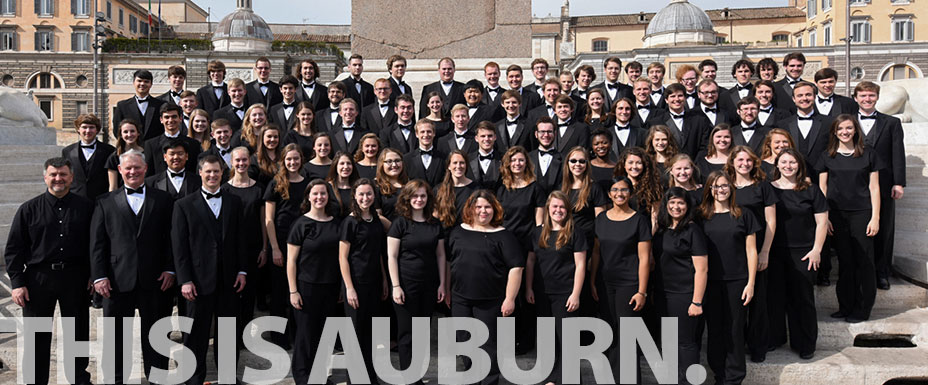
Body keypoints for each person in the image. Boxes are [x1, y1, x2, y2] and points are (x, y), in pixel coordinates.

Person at [4, 157, 94, 385]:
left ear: (71, 178)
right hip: (38, 278)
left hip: (75, 277)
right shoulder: (28, 209)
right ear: (45, 177)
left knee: (77, 331)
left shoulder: (86, 208)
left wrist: (94, 273)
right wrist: (17, 283)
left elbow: (96, 244)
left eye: (63, 174)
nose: (58, 179)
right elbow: (14, 249)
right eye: (53, 174)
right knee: (37, 335)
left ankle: (78, 378)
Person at [91, 149, 175, 384]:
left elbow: (171, 238)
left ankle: (158, 377)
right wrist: (99, 276)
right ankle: (117, 379)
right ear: (119, 170)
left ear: (146, 169)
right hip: (116, 281)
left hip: (156, 279)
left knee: (157, 334)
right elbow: (97, 243)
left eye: (137, 167)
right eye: (128, 168)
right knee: (116, 336)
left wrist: (170, 269)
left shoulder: (164, 200)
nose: (133, 172)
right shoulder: (104, 201)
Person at [172, 155, 247, 385]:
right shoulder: (183, 205)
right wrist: (184, 280)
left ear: (222, 173)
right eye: (208, 172)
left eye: (216, 172)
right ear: (200, 173)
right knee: (195, 334)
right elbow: (179, 246)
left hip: (228, 281)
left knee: (227, 333)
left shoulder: (234, 202)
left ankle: (226, 377)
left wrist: (242, 271)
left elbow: (241, 240)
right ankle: (194, 378)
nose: (212, 176)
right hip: (197, 282)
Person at [447, 190, 524, 385]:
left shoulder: (504, 236)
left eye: (487, 207)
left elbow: (516, 268)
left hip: (491, 300)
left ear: (495, 209)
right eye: (478, 207)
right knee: (463, 342)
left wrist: (510, 298)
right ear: (470, 209)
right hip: (460, 298)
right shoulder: (458, 231)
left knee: (488, 346)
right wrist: (447, 289)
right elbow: (449, 262)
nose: (483, 211)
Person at [816, 115, 882, 323]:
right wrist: (824, 218)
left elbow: (874, 188)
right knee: (845, 262)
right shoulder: (827, 156)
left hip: (862, 213)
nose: (845, 132)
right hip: (836, 214)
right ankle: (845, 306)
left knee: (864, 260)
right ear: (835, 132)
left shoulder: (868, 154)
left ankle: (863, 308)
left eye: (849, 128)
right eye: (841, 129)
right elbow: (822, 188)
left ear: (855, 131)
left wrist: (875, 217)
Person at [698, 170, 760, 385]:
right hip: (710, 281)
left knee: (734, 329)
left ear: (731, 188)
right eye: (715, 186)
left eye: (724, 185)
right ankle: (719, 374)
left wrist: (751, 283)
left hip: (737, 280)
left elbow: (752, 251)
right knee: (714, 329)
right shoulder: (701, 216)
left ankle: (734, 377)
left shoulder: (743, 214)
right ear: (709, 190)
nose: (720, 190)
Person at [387, 180, 448, 385]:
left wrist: (442, 284)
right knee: (406, 333)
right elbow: (392, 256)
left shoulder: (434, 223)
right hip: (405, 285)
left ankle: (418, 375)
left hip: (429, 285)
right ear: (407, 198)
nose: (419, 200)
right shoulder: (400, 223)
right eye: (415, 196)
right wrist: (396, 286)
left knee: (422, 333)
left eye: (422, 196)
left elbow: (441, 256)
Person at [769, 148, 828, 359]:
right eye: (783, 162)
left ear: (799, 165)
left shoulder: (811, 190)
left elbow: (822, 222)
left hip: (804, 252)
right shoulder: (769, 189)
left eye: (792, 162)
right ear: (776, 165)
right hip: (775, 252)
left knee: (802, 299)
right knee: (774, 298)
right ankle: (775, 338)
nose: (788, 166)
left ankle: (805, 343)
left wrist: (817, 250)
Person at [592, 176, 652, 382]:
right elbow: (597, 253)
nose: (619, 194)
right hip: (604, 282)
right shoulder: (600, 219)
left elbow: (644, 259)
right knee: (609, 332)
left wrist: (642, 291)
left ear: (630, 193)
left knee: (627, 334)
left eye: (624, 190)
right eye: (615, 190)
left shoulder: (639, 220)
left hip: (629, 284)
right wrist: (592, 281)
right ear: (609, 194)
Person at [525, 191, 586, 385]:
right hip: (542, 292)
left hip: (566, 294)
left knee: (567, 340)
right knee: (547, 340)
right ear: (548, 209)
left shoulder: (576, 232)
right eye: (554, 207)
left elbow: (581, 265)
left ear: (567, 210)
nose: (558, 210)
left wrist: (576, 294)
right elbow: (530, 262)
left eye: (562, 207)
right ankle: (551, 379)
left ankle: (567, 380)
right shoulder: (537, 233)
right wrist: (528, 288)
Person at [286, 178, 342, 385]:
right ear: (308, 197)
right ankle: (302, 377)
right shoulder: (301, 224)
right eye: (315, 193)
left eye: (323, 193)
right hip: (306, 286)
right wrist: (293, 290)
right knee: (305, 335)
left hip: (331, 286)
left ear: (329, 196)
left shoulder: (337, 223)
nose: (319, 197)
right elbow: (291, 261)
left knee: (324, 335)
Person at [726, 146, 778, 363]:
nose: (744, 164)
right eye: (740, 160)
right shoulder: (725, 185)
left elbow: (771, 221)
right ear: (732, 162)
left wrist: (764, 251)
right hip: (730, 251)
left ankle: (757, 347)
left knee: (758, 301)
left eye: (748, 160)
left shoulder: (762, 186)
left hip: (755, 250)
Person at [653, 187, 708, 385]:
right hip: (662, 293)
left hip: (684, 294)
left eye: (681, 203)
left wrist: (697, 301)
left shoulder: (692, 230)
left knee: (685, 343)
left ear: (688, 206)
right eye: (672, 203)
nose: (676, 207)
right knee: (668, 343)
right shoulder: (660, 229)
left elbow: (702, 269)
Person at [854, 81, 905, 291]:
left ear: (877, 97)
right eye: (863, 96)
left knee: (884, 229)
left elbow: (897, 153)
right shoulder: (846, 122)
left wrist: (899, 183)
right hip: (853, 185)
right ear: (855, 98)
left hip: (883, 184)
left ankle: (882, 273)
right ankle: (857, 273)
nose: (867, 99)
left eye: (871, 96)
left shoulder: (891, 123)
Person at [338, 178, 389, 381]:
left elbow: (377, 253)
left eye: (369, 194)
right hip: (356, 283)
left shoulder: (376, 219)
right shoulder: (350, 222)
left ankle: (370, 375)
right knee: (356, 332)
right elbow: (342, 257)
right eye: (361, 194)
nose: (365, 198)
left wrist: (384, 279)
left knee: (371, 333)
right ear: (354, 197)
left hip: (374, 282)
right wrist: (349, 288)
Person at [222, 146, 268, 352]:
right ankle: (230, 337)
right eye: (237, 160)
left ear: (250, 162)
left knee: (249, 296)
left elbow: (263, 220)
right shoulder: (224, 189)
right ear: (232, 162)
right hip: (230, 251)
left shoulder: (259, 189)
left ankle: (244, 337)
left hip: (253, 248)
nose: (241, 164)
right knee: (231, 297)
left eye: (244, 160)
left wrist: (265, 248)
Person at [264, 143, 308, 349]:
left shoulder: (309, 183)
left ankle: (299, 335)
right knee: (280, 292)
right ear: (283, 161)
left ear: (301, 160)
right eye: (289, 159)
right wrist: (274, 247)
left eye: (296, 159)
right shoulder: (276, 183)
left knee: (300, 290)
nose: (293, 162)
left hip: (304, 244)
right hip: (281, 242)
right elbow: (269, 219)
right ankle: (279, 338)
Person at [776, 81, 832, 184]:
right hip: (791, 180)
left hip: (821, 180)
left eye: (808, 95)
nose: (804, 98)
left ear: (815, 96)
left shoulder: (829, 123)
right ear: (794, 99)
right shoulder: (782, 125)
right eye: (800, 95)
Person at [63, 113, 116, 201]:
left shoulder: (109, 151)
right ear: (78, 129)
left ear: (97, 130)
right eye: (84, 127)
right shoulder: (67, 151)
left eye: (91, 127)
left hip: (101, 200)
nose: (88, 131)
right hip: (75, 200)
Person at [143, 104, 201, 176]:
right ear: (161, 120)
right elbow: (148, 173)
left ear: (180, 118)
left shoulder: (193, 144)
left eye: (174, 117)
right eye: (167, 117)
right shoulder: (151, 144)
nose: (170, 120)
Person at [113, 69, 165, 140]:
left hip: (155, 149)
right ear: (134, 82)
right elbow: (117, 130)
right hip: (131, 148)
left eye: (146, 81)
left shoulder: (160, 105)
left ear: (151, 84)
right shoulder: (122, 106)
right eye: (139, 81)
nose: (142, 84)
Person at [615, 147, 664, 222]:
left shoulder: (652, 186)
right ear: (624, 165)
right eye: (630, 163)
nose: (634, 166)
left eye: (639, 163)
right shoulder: (616, 185)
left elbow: (655, 219)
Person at [663, 83, 710, 159]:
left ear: (685, 98)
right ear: (666, 100)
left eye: (680, 96)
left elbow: (705, 146)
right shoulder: (657, 122)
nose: (677, 99)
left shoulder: (700, 120)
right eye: (672, 96)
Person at [434, 150, 476, 229]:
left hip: (466, 235)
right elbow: (434, 217)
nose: (458, 166)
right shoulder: (438, 190)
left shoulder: (476, 189)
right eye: (455, 163)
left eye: (462, 163)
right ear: (449, 166)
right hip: (444, 237)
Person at [404, 120, 446, 187]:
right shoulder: (407, 159)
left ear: (434, 133)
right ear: (417, 134)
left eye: (429, 131)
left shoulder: (444, 158)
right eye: (422, 132)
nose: (426, 135)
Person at [107, 119, 144, 191]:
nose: (129, 134)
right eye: (125, 132)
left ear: (138, 133)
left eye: (132, 131)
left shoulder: (147, 153)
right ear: (121, 135)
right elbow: (113, 187)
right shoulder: (114, 157)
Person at [529, 117, 563, 196]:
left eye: (549, 132)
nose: (546, 135)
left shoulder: (564, 159)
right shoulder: (527, 158)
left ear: (555, 134)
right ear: (536, 134)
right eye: (542, 132)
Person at [375, 148, 409, 222]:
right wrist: (394, 230)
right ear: (381, 164)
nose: (394, 165)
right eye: (389, 161)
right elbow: (377, 215)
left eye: (397, 161)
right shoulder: (376, 186)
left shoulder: (410, 184)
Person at [247, 124, 281, 189]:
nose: (272, 139)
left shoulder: (284, 157)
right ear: (262, 138)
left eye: (276, 137)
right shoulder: (254, 160)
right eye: (269, 136)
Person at [327, 152, 360, 217]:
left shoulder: (358, 187)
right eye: (342, 163)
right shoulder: (327, 187)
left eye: (349, 163)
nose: (346, 167)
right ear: (335, 166)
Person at [470, 122, 502, 190]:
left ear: (495, 137)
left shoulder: (503, 159)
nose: (486, 139)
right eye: (483, 136)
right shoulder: (468, 159)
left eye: (490, 136)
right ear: (476, 138)